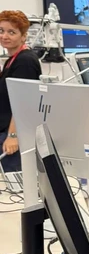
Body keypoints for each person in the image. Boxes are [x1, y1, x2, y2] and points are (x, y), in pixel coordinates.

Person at [0, 10, 41, 172]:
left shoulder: (25, 61)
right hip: (6, 131)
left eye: (12, 32)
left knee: (16, 183)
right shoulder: (12, 60)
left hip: (13, 136)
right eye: (1, 31)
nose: (4, 36)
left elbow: (23, 102)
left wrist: (13, 136)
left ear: (23, 36)